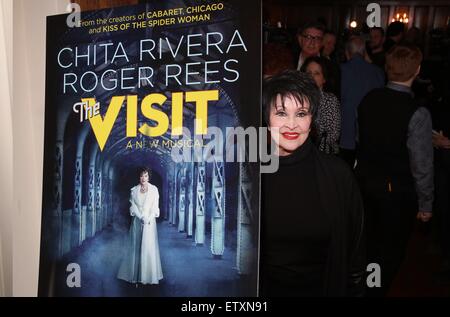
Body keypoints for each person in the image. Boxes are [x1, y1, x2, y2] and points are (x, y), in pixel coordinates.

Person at [260, 70, 365, 297]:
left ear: (311, 119)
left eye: (301, 113)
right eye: (280, 112)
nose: (291, 125)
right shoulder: (248, 173)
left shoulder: (337, 174)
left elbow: (355, 252)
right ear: (266, 118)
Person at [356, 44, 434, 296]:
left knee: (367, 245)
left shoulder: (369, 99)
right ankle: (374, 291)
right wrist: (426, 205)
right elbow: (421, 165)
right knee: (388, 251)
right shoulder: (417, 112)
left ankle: (366, 287)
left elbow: (360, 140)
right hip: (396, 194)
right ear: (417, 70)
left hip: (363, 185)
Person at [340, 36, 385, 168]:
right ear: (364, 52)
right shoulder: (378, 72)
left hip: (345, 133)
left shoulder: (341, 70)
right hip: (369, 132)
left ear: (347, 53)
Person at [117, 167, 163, 285]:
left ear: (149, 177)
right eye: (142, 176)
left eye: (146, 176)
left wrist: (148, 218)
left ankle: (147, 277)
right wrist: (140, 216)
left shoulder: (154, 190)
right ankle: (135, 276)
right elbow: (133, 207)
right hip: (137, 221)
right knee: (136, 246)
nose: (143, 178)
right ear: (139, 177)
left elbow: (155, 207)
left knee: (148, 247)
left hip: (149, 222)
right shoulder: (134, 190)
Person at [301, 56, 341, 154]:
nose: (311, 77)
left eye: (316, 73)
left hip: (323, 155)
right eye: (308, 73)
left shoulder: (330, 100)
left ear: (324, 79)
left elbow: (333, 135)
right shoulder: (297, 99)